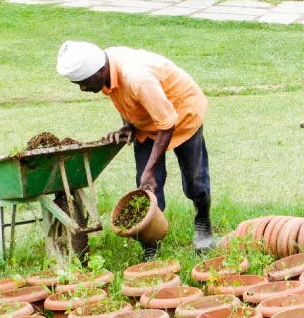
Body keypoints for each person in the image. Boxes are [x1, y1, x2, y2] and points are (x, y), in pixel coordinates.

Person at [56, 41, 212, 259]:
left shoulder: (136, 77)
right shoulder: (104, 68)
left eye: (84, 82)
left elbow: (167, 124)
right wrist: (129, 125)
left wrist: (151, 168)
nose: (82, 88)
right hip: (148, 121)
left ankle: (203, 220)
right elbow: (122, 97)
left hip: (182, 114)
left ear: (101, 71)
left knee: (196, 180)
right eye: (78, 83)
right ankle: (151, 243)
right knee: (146, 185)